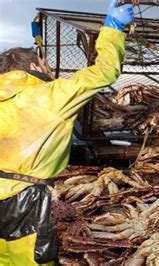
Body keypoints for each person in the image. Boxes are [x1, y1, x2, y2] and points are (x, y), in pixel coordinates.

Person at [0, 1, 134, 264]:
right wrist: (113, 28)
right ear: (35, 67)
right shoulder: (50, 95)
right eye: (45, 64)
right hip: (25, 202)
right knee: (28, 259)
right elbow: (105, 72)